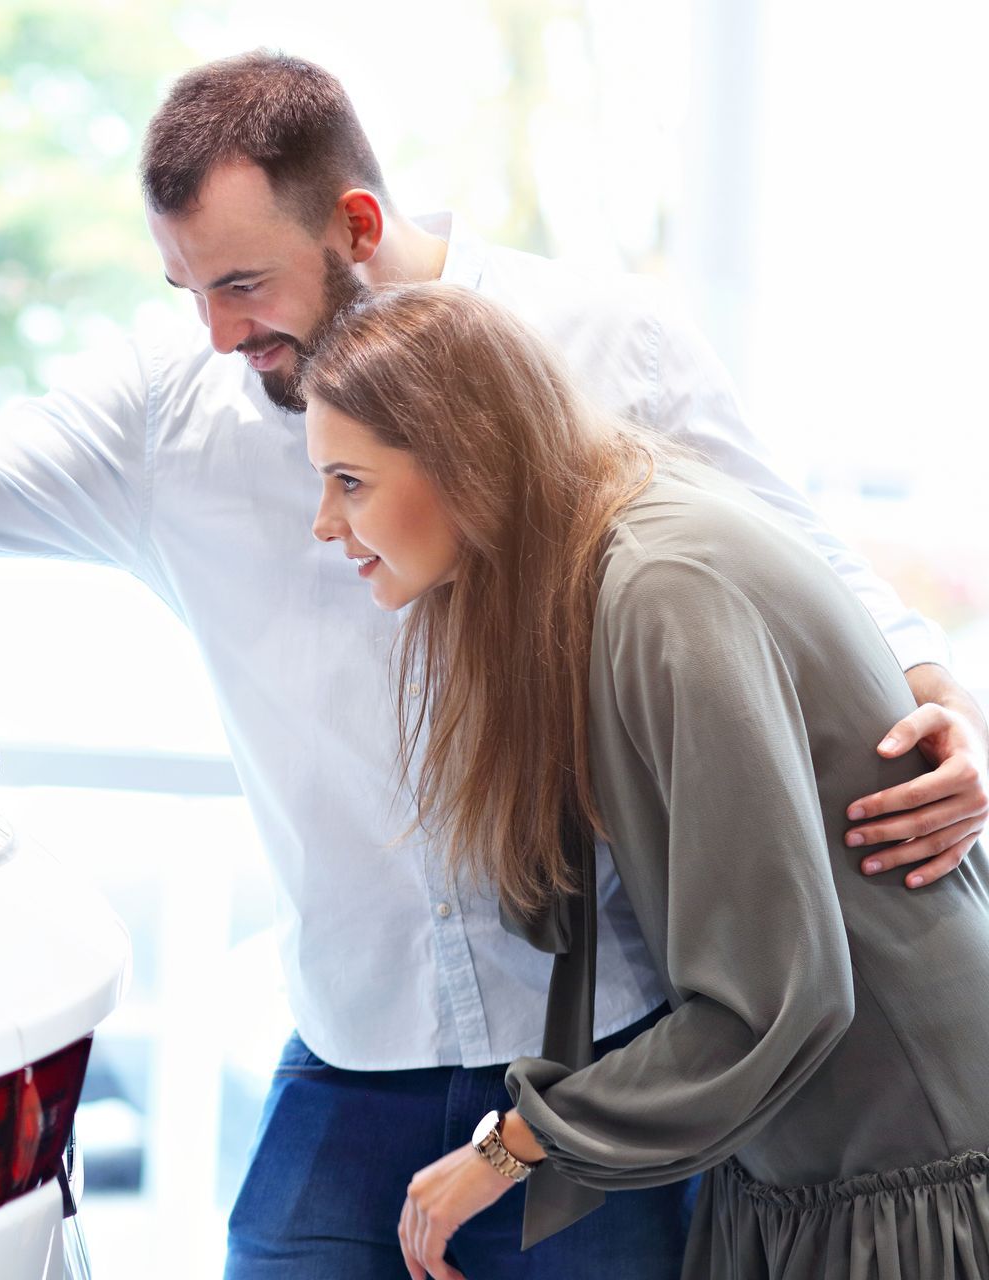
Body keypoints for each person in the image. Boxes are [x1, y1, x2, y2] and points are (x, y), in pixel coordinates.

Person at [0, 52, 989, 1278]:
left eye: (241, 282)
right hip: (351, 1039)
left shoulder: (606, 352)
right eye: (184, 290)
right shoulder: (175, 412)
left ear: (356, 220)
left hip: (607, 1038)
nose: (222, 337)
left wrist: (939, 702)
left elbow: (807, 572)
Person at [301, 280, 989, 1280]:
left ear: (465, 459)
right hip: (814, 1162)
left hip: (908, 1169)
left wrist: (505, 1152)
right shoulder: (606, 556)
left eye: (349, 481)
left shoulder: (663, 587)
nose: (325, 522)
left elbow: (772, 997)